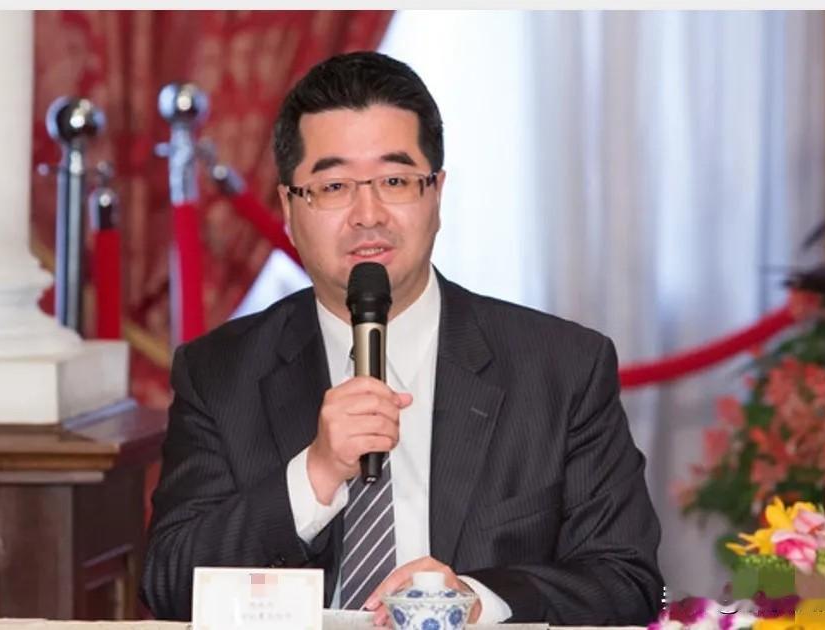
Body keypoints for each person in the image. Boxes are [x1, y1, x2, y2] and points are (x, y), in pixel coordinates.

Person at [141, 51, 663, 626]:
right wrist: (314, 475)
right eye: (333, 186)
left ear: (436, 194)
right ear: (289, 208)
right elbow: (169, 583)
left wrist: (476, 601)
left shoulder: (562, 368)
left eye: (395, 181)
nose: (368, 215)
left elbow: (627, 580)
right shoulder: (219, 373)